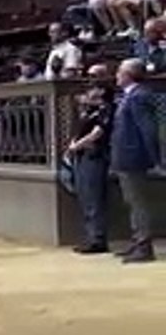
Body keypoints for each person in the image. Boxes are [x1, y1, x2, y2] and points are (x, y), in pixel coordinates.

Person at [110, 59, 161, 264]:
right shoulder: (128, 96)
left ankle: (144, 245)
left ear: (128, 74)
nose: (116, 75)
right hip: (125, 156)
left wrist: (155, 159)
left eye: (119, 72)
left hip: (135, 157)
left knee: (138, 202)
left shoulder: (140, 96)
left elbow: (147, 130)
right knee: (131, 201)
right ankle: (137, 240)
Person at [66, 83, 114, 255]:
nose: (88, 93)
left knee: (94, 198)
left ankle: (98, 239)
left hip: (94, 155)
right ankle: (90, 236)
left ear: (102, 91)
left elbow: (97, 133)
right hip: (81, 156)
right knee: (85, 197)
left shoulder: (106, 109)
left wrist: (77, 145)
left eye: (93, 89)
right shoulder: (88, 111)